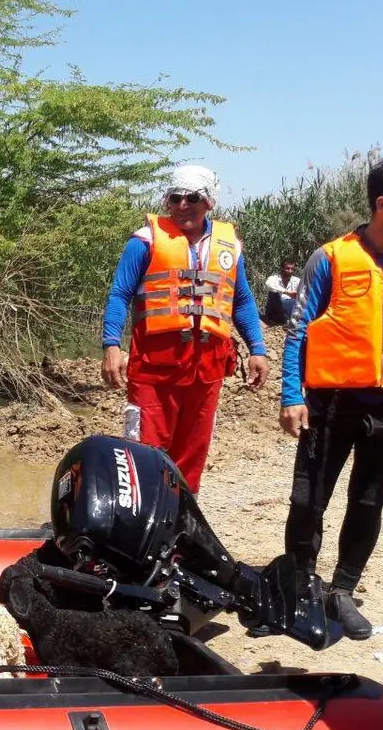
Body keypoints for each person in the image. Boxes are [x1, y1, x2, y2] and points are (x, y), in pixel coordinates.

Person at [273, 157, 383, 641]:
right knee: (309, 500)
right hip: (332, 405)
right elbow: (297, 334)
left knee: (369, 503)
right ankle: (301, 585)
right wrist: (292, 394)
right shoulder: (330, 258)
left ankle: (342, 590)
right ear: (382, 205)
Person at [100, 164, 270, 495]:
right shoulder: (145, 241)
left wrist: (258, 349)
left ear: (209, 202)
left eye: (192, 197)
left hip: (205, 373)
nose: (183, 205)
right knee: (143, 457)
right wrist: (111, 345)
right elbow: (119, 294)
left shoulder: (228, 246)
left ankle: (180, 525)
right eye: (175, 198)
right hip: (153, 372)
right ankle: (140, 526)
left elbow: (242, 301)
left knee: (191, 459)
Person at [262, 257, 301, 324]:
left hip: (290, 307)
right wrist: (287, 292)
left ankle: (290, 320)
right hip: (276, 309)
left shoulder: (297, 280)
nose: (290, 271)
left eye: (292, 269)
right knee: (273, 293)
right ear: (282, 268)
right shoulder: (274, 278)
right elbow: (268, 284)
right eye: (287, 268)